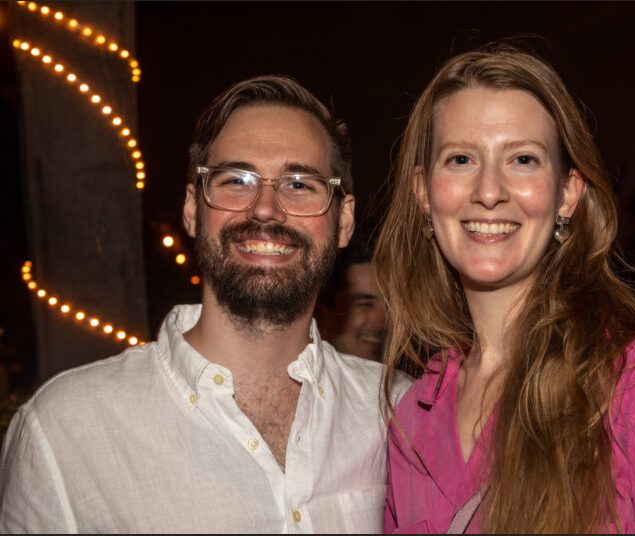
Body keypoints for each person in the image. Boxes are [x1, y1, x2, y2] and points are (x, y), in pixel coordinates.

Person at [375, 44, 635, 533]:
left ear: (567, 194)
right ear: (423, 194)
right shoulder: (413, 416)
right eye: (460, 159)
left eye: (522, 159)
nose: (489, 191)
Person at [0, 75, 408, 533]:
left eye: (299, 184)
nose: (266, 208)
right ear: (193, 207)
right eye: (236, 180)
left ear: (344, 220)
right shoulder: (66, 430)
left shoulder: (396, 411)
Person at [316, 232, 386, 361]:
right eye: (366, 305)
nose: (383, 318)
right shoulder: (297, 378)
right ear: (321, 312)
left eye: (389, 306)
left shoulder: (406, 380)